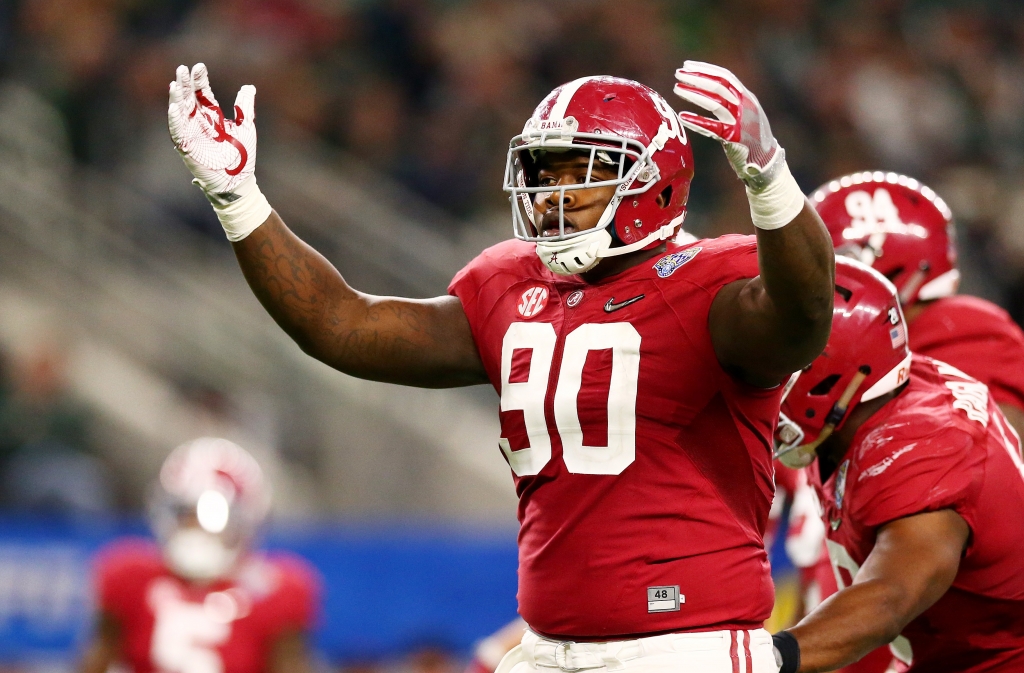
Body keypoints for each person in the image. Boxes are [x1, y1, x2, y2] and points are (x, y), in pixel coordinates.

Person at [168, 60, 835, 671]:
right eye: (548, 172)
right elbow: (341, 325)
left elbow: (805, 315)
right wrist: (238, 199)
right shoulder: (511, 284)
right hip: (547, 646)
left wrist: (769, 178)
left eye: (584, 170)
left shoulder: (712, 282)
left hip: (688, 645)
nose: (557, 193)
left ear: (652, 183)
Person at [771, 258, 1024, 673]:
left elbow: (887, 599)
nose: (765, 381)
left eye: (780, 366)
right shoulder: (866, 406)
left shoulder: (924, 447)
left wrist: (760, 661)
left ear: (828, 372)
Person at [811, 172, 1024, 438]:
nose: (815, 285)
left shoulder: (960, 327)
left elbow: (997, 450)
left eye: (832, 265)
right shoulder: (884, 342)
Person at [79, 438, 320, 673]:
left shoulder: (275, 588)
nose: (196, 527)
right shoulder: (129, 576)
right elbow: (98, 660)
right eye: (185, 513)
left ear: (246, 519)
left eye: (214, 516)